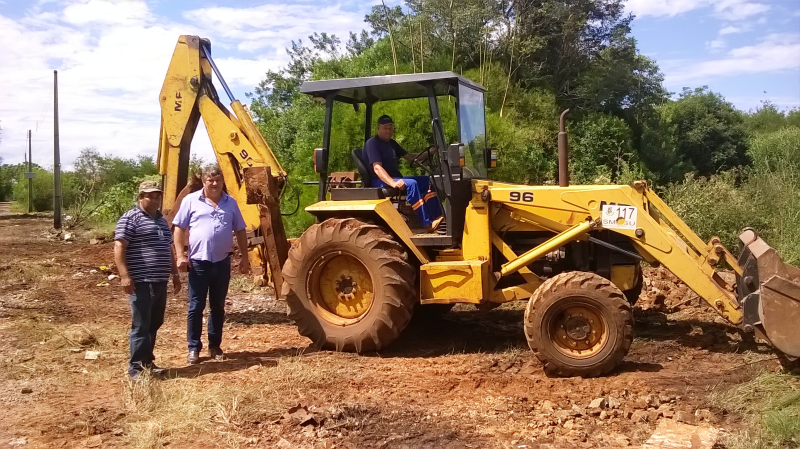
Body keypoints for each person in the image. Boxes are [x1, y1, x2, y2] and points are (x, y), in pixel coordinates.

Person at [172, 165, 250, 365]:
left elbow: (240, 230)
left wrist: (244, 257)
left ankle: (215, 346)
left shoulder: (230, 203)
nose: (215, 184)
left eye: (218, 180)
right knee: (196, 306)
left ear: (222, 181)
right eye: (210, 180)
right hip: (198, 263)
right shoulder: (191, 201)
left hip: (222, 262)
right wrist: (180, 255)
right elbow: (179, 229)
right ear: (204, 181)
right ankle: (193, 348)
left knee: (217, 306)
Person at [114, 181, 181, 381]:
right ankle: (135, 369)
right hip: (141, 281)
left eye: (156, 196)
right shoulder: (130, 218)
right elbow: (119, 246)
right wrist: (124, 275)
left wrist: (175, 275)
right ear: (140, 197)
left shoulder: (161, 220)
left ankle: (147, 363)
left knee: (154, 322)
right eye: (149, 196)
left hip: (159, 280)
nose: (153, 199)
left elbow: (169, 249)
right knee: (141, 324)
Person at [365, 114, 444, 232]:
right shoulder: (372, 143)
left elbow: (410, 157)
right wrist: (393, 183)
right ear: (378, 128)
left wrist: (429, 153)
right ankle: (427, 224)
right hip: (380, 181)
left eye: (390, 128)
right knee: (411, 184)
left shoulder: (392, 143)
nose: (388, 130)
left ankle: (437, 217)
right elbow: (377, 168)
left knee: (427, 180)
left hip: (395, 178)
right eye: (385, 128)